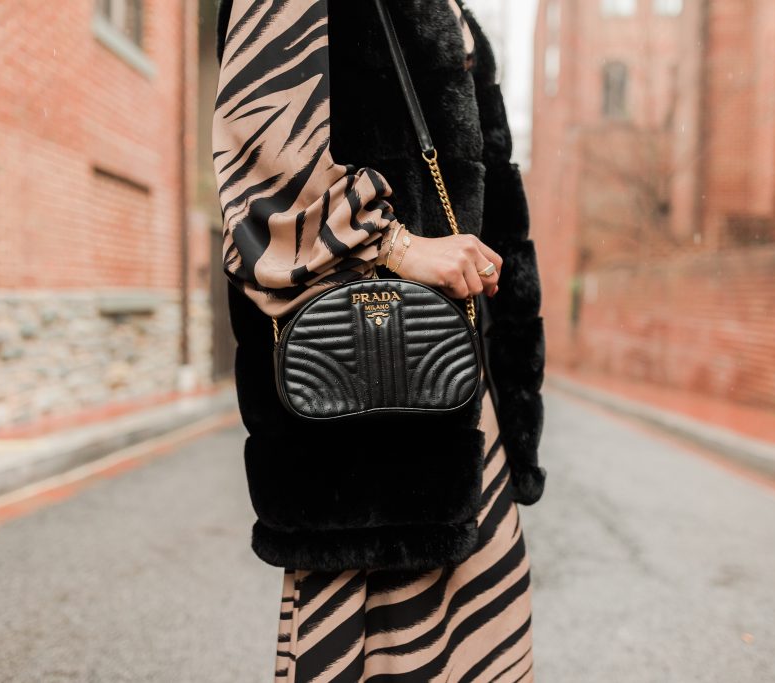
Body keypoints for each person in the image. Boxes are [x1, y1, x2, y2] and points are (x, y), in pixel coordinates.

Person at [212, 0, 546, 679]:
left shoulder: (454, 10)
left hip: (456, 399)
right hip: (363, 407)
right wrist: (395, 244)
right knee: (381, 645)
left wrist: (512, 397)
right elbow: (261, 160)